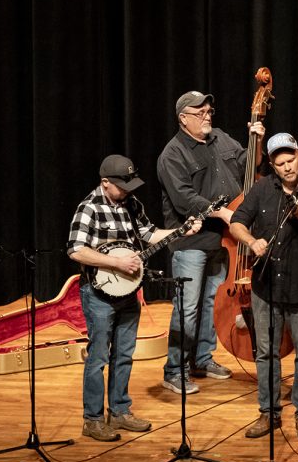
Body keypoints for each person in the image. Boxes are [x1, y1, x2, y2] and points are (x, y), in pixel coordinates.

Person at [67, 154, 200, 441]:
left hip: (127, 291)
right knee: (99, 357)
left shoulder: (131, 204)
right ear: (105, 183)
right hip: (99, 294)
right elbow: (76, 250)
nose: (128, 190)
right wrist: (116, 264)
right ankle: (92, 419)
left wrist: (181, 231)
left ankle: (119, 411)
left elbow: (149, 234)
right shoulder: (88, 208)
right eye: (122, 185)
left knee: (124, 354)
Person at [156, 90, 264, 394]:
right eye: (199, 113)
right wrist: (224, 213)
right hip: (191, 241)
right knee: (187, 307)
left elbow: (248, 166)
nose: (207, 117)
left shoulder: (219, 137)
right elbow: (185, 199)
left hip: (223, 241)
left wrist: (256, 142)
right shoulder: (172, 154)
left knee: (211, 304)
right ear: (183, 119)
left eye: (208, 111)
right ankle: (174, 370)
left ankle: (202, 359)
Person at [229, 133, 298, 440]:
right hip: (265, 283)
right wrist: (251, 240)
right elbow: (237, 222)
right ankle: (268, 413)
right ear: (273, 165)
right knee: (265, 353)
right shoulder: (262, 189)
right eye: (280, 163)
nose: (287, 167)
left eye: (291, 160)